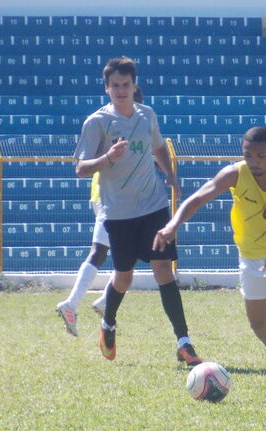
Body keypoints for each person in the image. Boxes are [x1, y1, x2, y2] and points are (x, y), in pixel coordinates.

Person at [153, 127, 266, 394]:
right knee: (259, 324)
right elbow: (197, 199)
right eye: (248, 156)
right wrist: (172, 225)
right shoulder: (235, 173)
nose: (254, 162)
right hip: (252, 258)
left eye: (260, 156)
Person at [73, 56, 202, 365]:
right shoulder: (97, 122)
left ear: (134, 86)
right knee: (124, 278)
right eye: (115, 85)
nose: (121, 90)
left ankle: (184, 342)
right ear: (106, 88)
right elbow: (80, 168)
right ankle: (108, 323)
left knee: (163, 271)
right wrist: (107, 158)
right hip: (118, 214)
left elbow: (158, 145)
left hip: (154, 207)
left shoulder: (147, 115)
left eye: (126, 85)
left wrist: (169, 175)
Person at [55, 87, 146, 337]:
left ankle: (102, 301)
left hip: (113, 198)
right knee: (101, 251)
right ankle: (73, 304)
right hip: (112, 198)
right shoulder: (120, 127)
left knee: (122, 250)